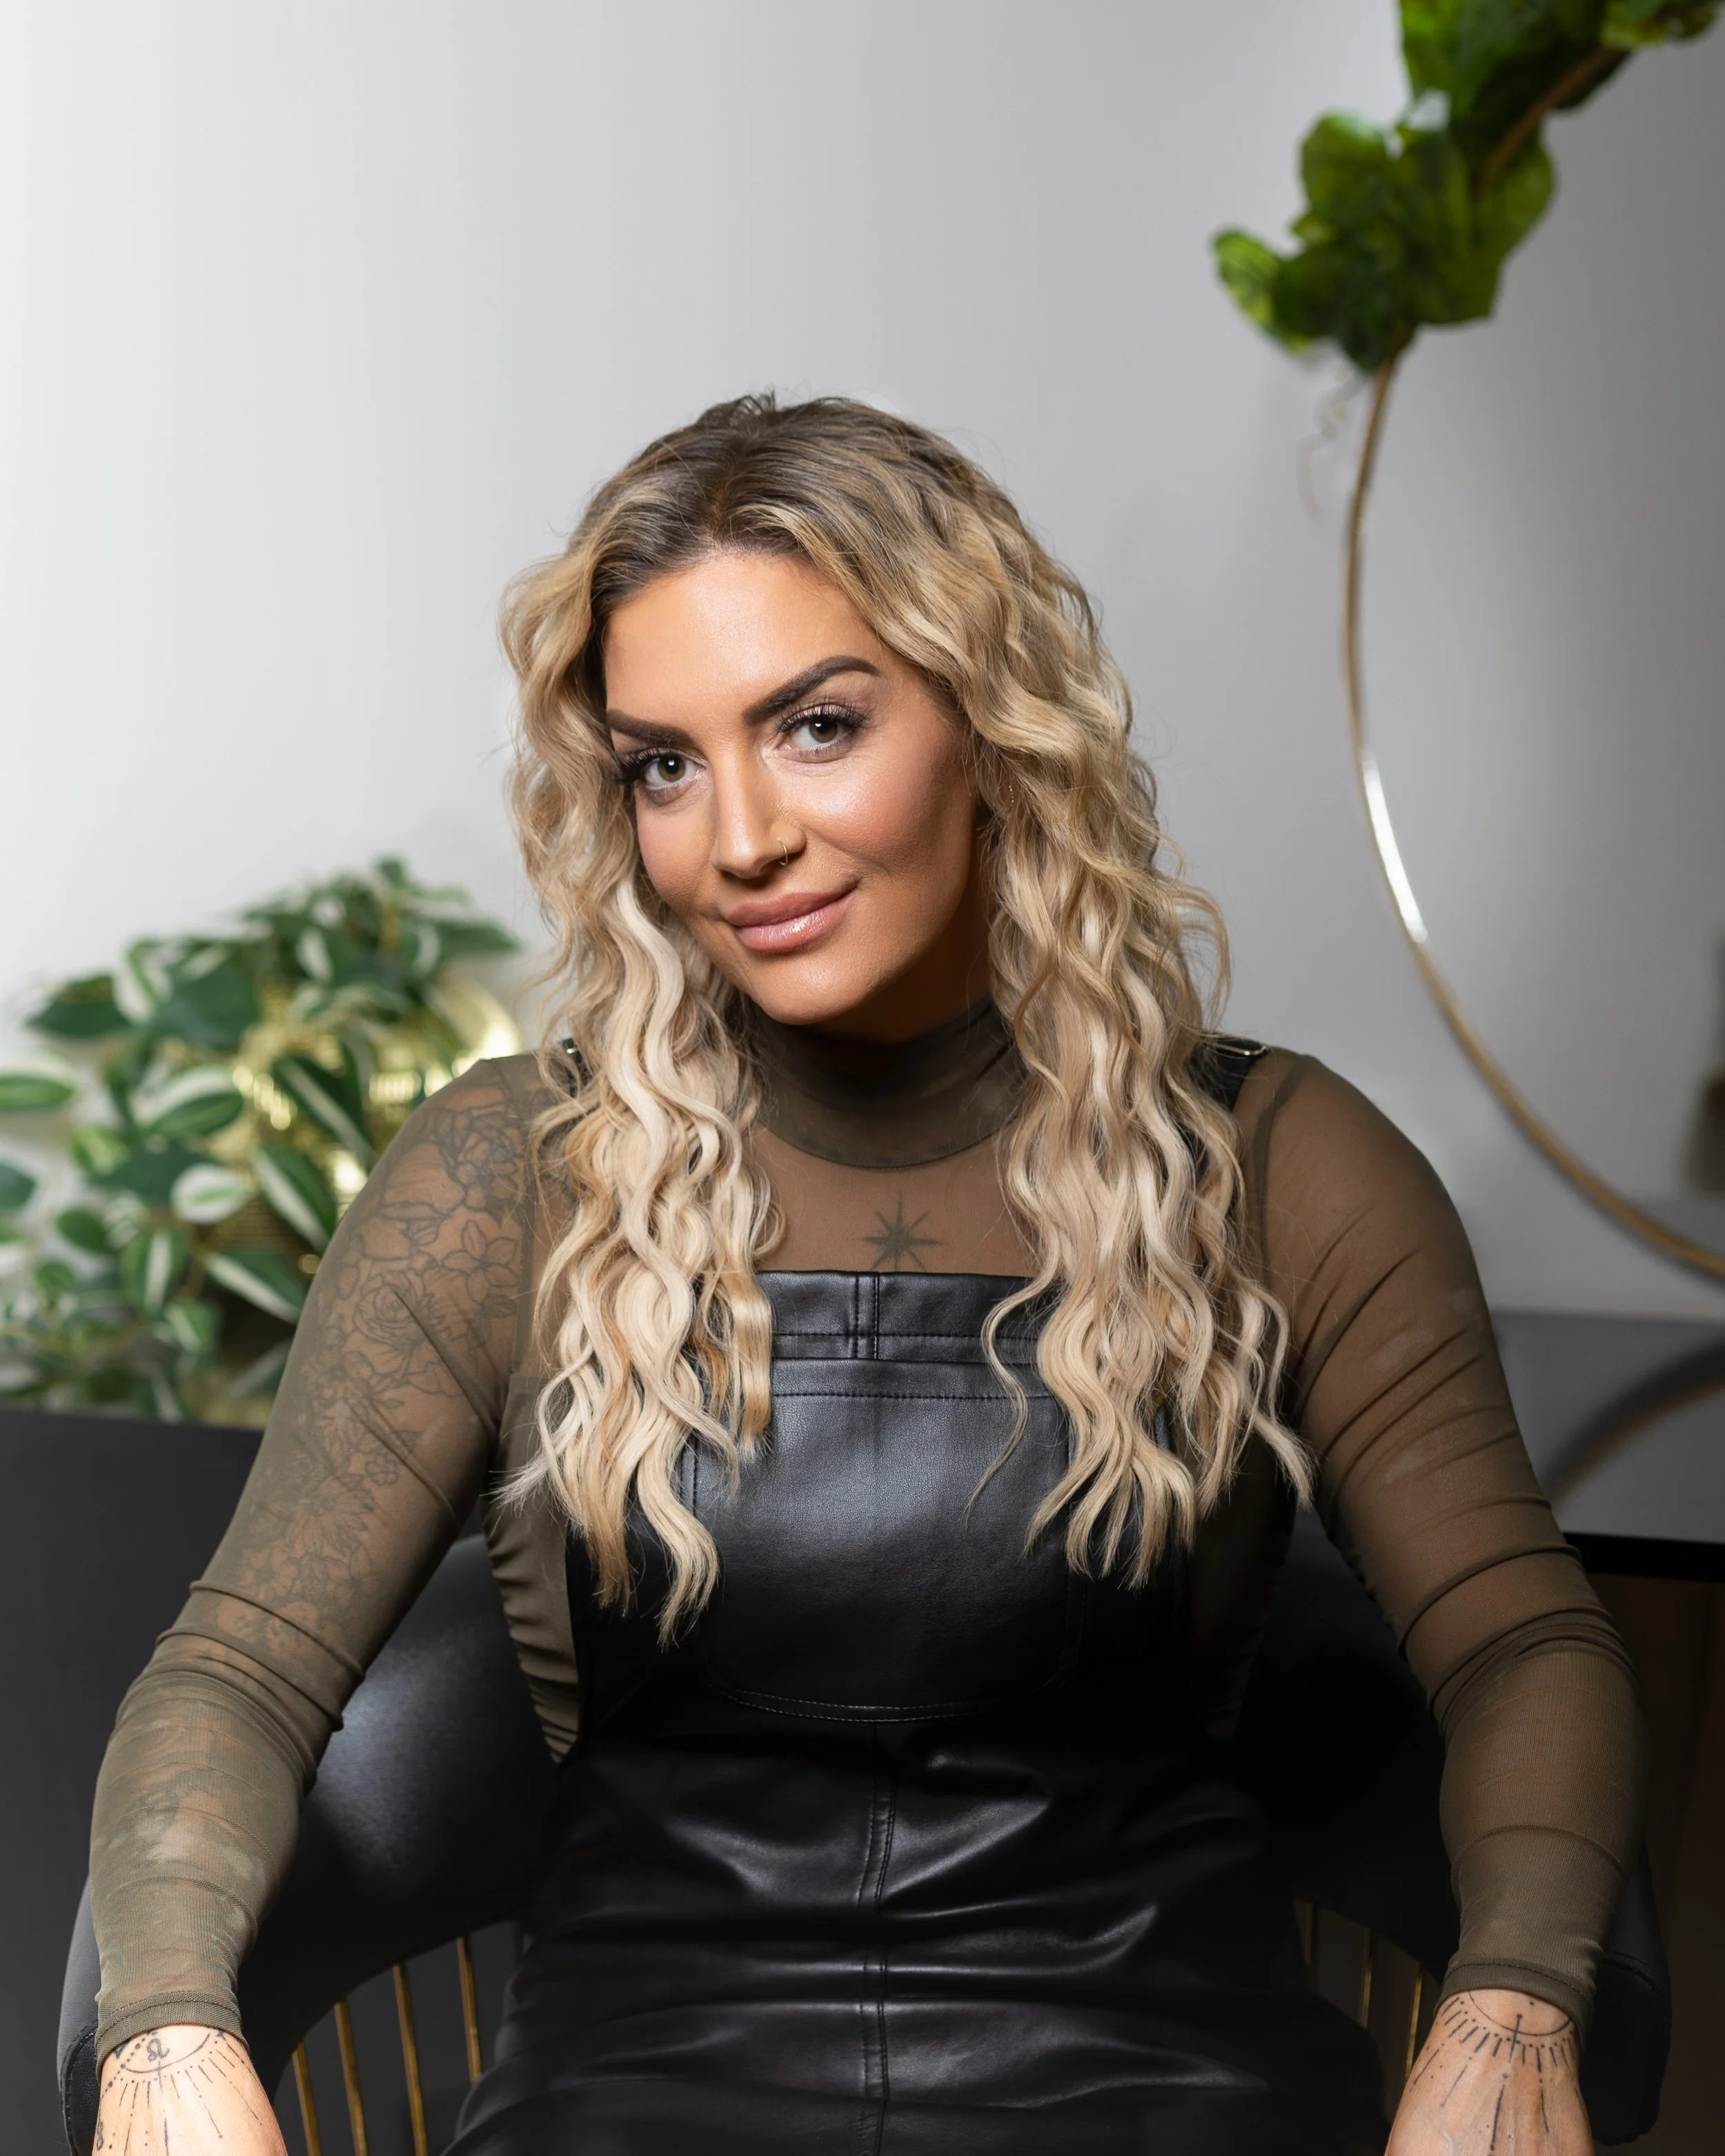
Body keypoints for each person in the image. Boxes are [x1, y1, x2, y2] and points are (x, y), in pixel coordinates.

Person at [86, 395, 1643, 2156]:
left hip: (1159, 2094)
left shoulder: (1280, 1165)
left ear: (988, 721)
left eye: (814, 726)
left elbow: (1523, 1642)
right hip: (633, 2101)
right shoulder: (504, 1178)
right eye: (662, 762)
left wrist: (1510, 2001)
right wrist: (165, 2037)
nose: (736, 838)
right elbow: (236, 1674)